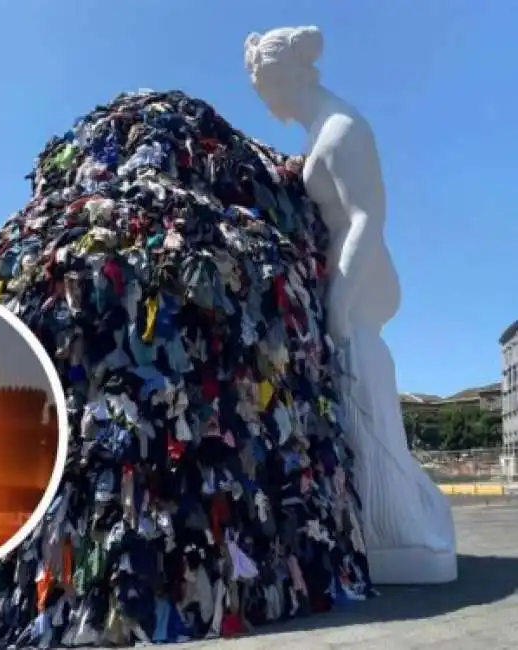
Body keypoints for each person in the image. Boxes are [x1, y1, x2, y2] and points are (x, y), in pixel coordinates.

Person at [244, 25, 456, 584]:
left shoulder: (342, 130)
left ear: (288, 77)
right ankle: (399, 518)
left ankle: (402, 527)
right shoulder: (319, 133)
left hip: (358, 292)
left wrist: (338, 305)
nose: (266, 104)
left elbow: (367, 218)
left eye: (266, 89)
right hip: (344, 289)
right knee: (364, 412)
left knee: (368, 401)